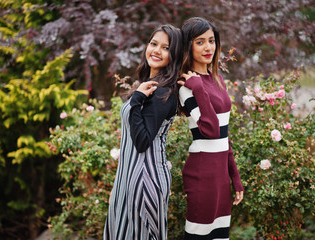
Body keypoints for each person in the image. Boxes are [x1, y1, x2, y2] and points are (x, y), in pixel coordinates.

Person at [103, 24, 183, 240]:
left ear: (174, 55)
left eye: (165, 48)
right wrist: (119, 183)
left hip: (144, 182)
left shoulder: (163, 92)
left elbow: (142, 141)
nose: (156, 50)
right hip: (128, 179)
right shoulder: (149, 85)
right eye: (153, 44)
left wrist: (137, 98)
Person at [177, 17, 244, 239]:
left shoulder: (218, 79)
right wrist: (197, 88)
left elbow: (224, 135)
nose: (208, 47)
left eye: (211, 41)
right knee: (199, 234)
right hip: (202, 174)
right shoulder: (187, 87)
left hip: (220, 176)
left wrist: (234, 176)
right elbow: (210, 129)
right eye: (200, 42)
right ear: (188, 46)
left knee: (219, 235)